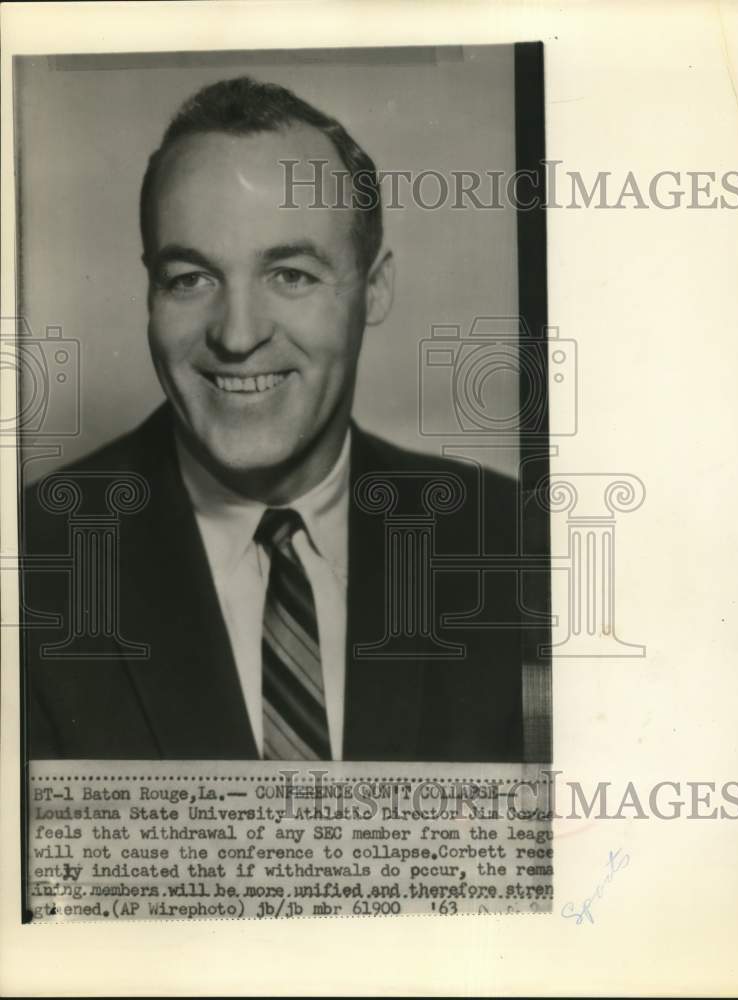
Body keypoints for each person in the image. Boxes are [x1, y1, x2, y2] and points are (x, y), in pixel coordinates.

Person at [23, 77, 542, 762]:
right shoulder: (33, 562)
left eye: (290, 274)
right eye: (190, 278)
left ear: (375, 289)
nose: (237, 336)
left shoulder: (511, 545)